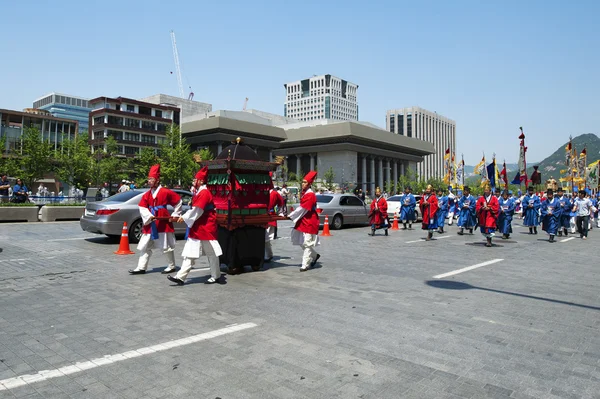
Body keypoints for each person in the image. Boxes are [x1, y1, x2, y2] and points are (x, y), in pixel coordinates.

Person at [168, 166, 223, 285]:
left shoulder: (204, 193)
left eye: (195, 180)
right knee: (189, 253)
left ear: (201, 181)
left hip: (206, 226)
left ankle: (216, 275)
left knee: (211, 253)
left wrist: (184, 217)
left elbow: (197, 210)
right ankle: (180, 277)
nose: (194, 182)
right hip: (198, 225)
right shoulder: (200, 192)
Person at [129, 165, 183, 275]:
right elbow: (142, 206)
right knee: (145, 246)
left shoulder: (165, 192)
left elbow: (178, 201)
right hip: (150, 223)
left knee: (166, 245)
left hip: (162, 222)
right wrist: (148, 216)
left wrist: (175, 214)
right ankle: (141, 267)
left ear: (157, 180)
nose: (149, 181)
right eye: (148, 179)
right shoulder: (147, 194)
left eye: (151, 179)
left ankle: (171, 265)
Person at [288, 171, 320, 272]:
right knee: (301, 241)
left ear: (309, 184)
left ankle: (305, 264)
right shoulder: (305, 193)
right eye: (302, 182)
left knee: (307, 242)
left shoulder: (310, 194)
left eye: (305, 182)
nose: (303, 184)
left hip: (310, 221)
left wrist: (291, 216)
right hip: (304, 220)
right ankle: (314, 256)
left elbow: (302, 208)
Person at [265, 179, 284, 262]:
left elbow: (281, 203)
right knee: (266, 237)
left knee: (267, 237)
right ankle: (268, 254)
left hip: (271, 217)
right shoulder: (263, 192)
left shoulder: (275, 193)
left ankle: (268, 254)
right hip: (262, 216)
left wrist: (280, 212)